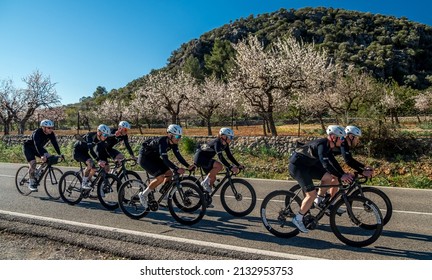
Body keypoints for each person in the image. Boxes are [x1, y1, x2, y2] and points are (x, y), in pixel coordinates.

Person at [288, 125, 353, 233]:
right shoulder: (322, 145)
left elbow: (333, 163)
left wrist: (342, 174)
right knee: (310, 194)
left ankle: (319, 199)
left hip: (307, 166)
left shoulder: (328, 146)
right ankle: (298, 218)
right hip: (298, 167)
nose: (342, 141)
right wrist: (342, 176)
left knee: (329, 177)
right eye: (341, 138)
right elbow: (326, 164)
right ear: (333, 137)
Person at [137, 124, 195, 208]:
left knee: (169, 173)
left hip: (154, 157)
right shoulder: (162, 142)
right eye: (177, 136)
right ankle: (143, 195)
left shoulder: (174, 143)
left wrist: (188, 165)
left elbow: (178, 156)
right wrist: (176, 168)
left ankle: (164, 193)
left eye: (180, 136)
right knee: (160, 177)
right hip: (145, 158)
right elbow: (165, 159)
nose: (179, 138)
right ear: (170, 135)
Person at [325, 125, 374, 199]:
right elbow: (348, 161)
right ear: (351, 136)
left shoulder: (345, 143)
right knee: (336, 177)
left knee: (337, 178)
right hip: (322, 159)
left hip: (328, 158)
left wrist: (364, 167)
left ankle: (330, 201)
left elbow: (350, 159)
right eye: (357, 137)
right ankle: (324, 199)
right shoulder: (343, 142)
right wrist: (362, 171)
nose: (358, 140)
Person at [193, 127, 244, 198]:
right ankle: (204, 183)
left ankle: (205, 197)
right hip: (200, 157)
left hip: (206, 159)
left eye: (232, 137)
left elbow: (229, 156)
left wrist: (238, 165)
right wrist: (230, 167)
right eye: (230, 137)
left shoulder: (225, 144)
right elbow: (220, 157)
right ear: (223, 136)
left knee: (213, 179)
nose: (231, 139)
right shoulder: (217, 142)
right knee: (219, 166)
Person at [23, 119, 63, 191]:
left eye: (52, 128)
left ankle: (37, 172)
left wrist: (60, 154)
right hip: (29, 148)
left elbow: (55, 144)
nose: (51, 129)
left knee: (49, 158)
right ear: (43, 127)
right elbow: (36, 144)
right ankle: (31, 183)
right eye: (49, 128)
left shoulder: (51, 133)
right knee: (33, 163)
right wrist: (42, 155)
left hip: (39, 148)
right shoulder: (37, 132)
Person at [72, 124, 111, 190]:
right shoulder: (90, 136)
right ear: (99, 132)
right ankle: (83, 184)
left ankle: (87, 181)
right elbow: (91, 151)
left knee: (94, 169)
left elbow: (103, 150)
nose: (105, 137)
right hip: (77, 151)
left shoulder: (101, 139)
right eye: (104, 135)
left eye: (107, 135)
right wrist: (98, 160)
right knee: (90, 163)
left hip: (84, 152)